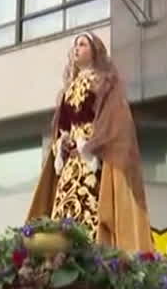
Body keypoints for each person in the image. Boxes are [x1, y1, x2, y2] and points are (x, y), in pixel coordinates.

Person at [25, 32, 151, 253]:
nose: (76, 48)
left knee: (90, 212)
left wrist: (93, 145)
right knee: (62, 215)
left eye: (82, 44)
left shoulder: (103, 83)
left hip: (91, 160)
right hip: (70, 166)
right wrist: (61, 144)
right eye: (75, 45)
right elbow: (63, 126)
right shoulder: (69, 89)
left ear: (95, 51)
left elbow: (113, 119)